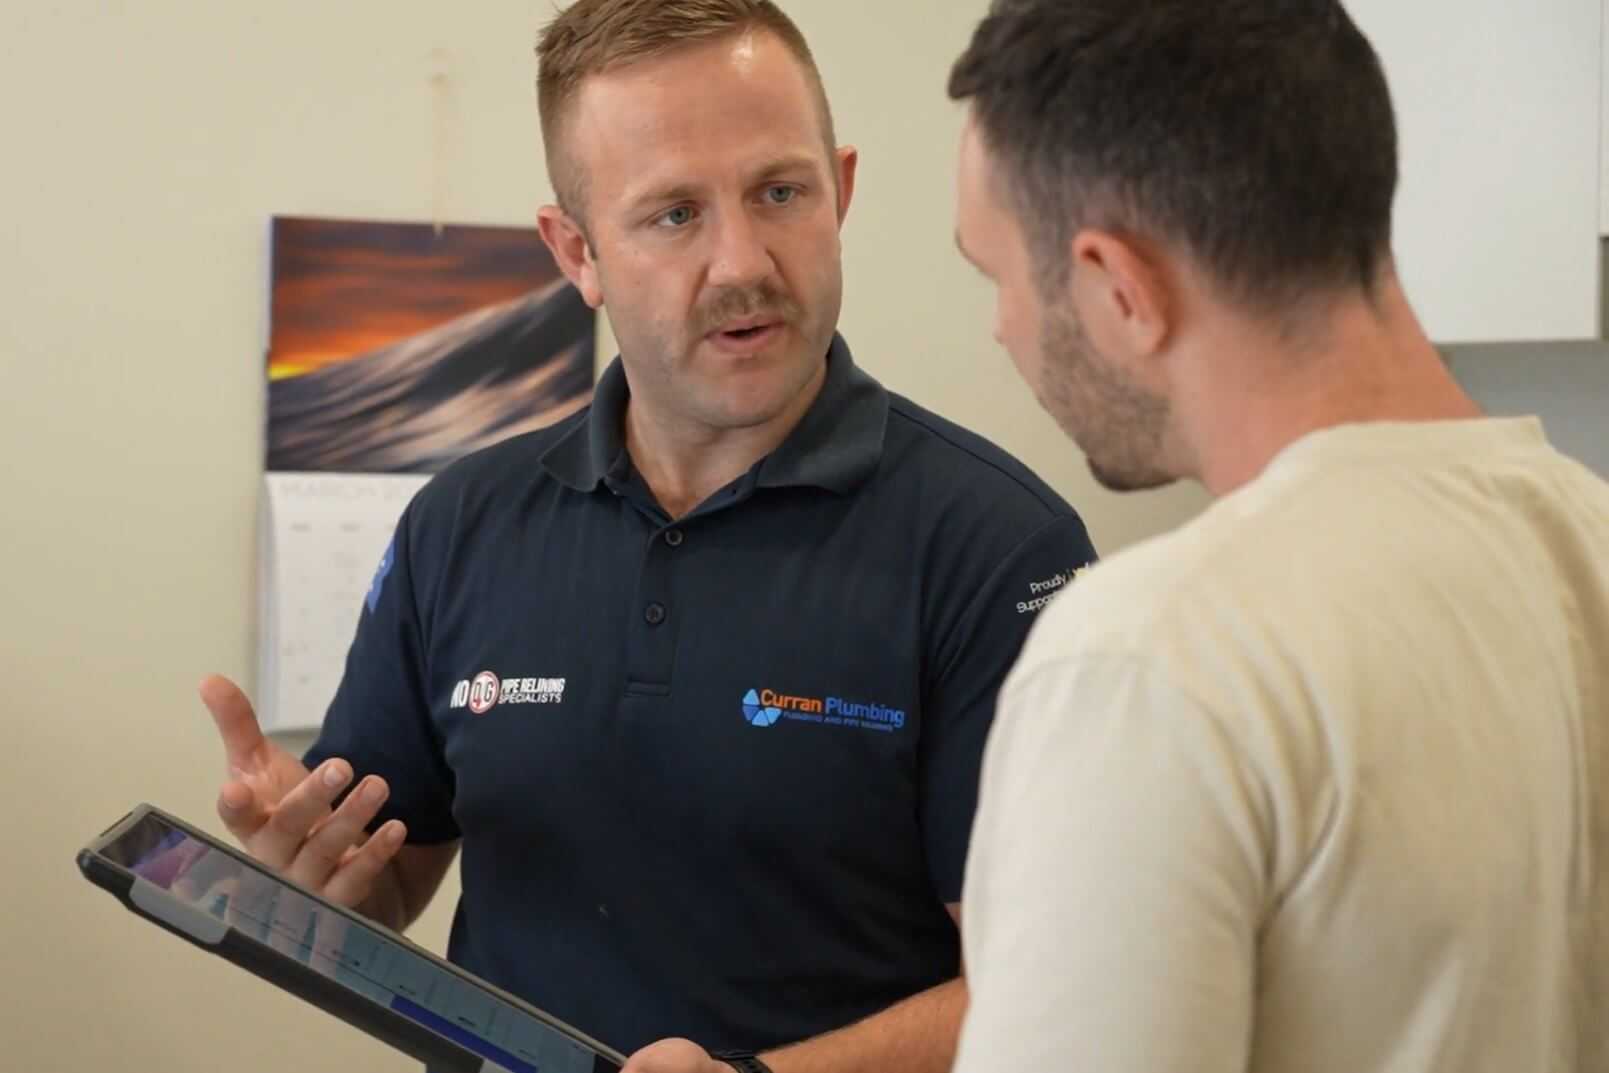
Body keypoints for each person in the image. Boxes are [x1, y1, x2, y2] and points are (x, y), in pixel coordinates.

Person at [198, 2, 1099, 1072]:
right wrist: (316, 873)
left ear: (841, 189)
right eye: (672, 214)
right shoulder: (461, 523)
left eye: (779, 191)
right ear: (575, 250)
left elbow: (1058, 980)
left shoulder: (1000, 548)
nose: (741, 262)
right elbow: (391, 883)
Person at [945, 1, 1609, 1071]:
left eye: (998, 276)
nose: (1001, 326)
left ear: (1120, 287)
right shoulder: (1591, 540)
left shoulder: (1147, 659)